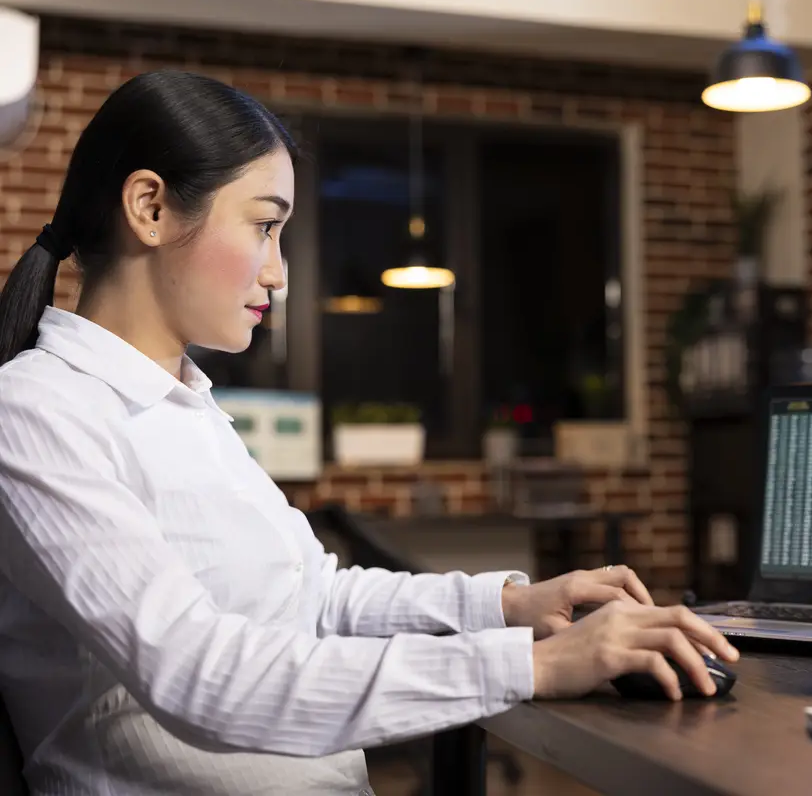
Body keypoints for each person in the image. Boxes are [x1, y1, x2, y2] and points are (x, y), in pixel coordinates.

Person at [0, 70, 738, 795]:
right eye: (264, 226)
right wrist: (532, 665)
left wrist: (508, 606)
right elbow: (197, 673)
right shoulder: (38, 410)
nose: (280, 273)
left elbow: (312, 597)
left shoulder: (189, 409)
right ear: (150, 207)